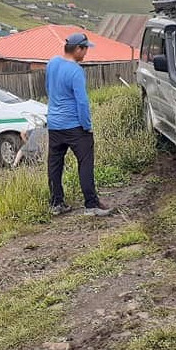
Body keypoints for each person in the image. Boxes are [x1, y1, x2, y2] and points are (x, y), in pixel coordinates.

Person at [45, 32, 111, 217]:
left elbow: (48, 89)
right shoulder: (76, 71)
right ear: (78, 49)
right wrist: (86, 125)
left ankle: (56, 203)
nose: (87, 53)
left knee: (54, 164)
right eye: (85, 49)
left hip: (55, 124)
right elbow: (82, 102)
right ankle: (91, 205)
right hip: (74, 125)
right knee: (85, 163)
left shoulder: (52, 63)